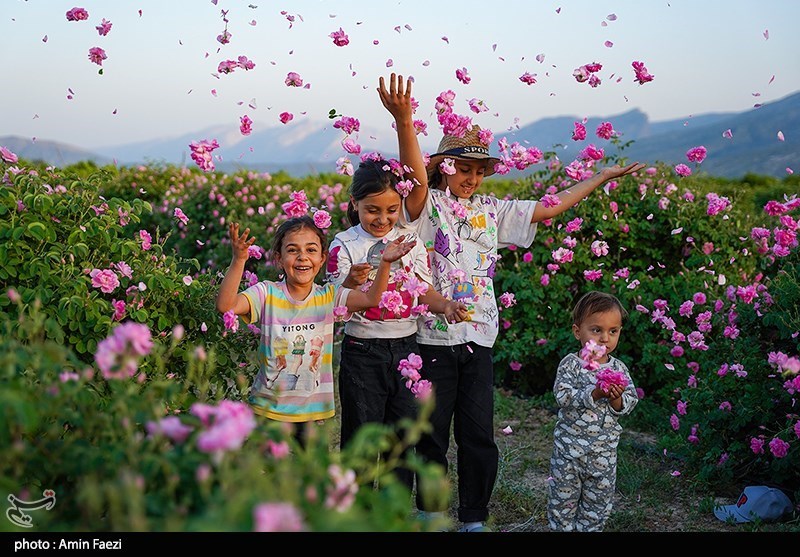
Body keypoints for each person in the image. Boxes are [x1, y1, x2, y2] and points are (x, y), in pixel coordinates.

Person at [379, 72, 645, 531]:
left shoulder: (493, 211)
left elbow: (550, 206)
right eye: (464, 169)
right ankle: (431, 513)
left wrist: (600, 178)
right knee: (433, 434)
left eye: (480, 171)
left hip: (479, 338)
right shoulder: (429, 207)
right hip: (432, 339)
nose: (472, 178)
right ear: (445, 167)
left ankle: (474, 519)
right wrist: (405, 122)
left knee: (479, 434)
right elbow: (413, 177)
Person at [326, 156, 468, 494]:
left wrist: (445, 306)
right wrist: (348, 280)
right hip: (362, 351)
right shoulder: (343, 244)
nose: (383, 218)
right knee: (361, 436)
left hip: (407, 349)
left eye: (392, 210)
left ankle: (395, 514)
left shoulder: (411, 242)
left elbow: (424, 291)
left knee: (402, 440)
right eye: (373, 210)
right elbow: (335, 300)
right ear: (355, 204)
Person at [215, 215, 416, 447]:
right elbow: (226, 306)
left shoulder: (329, 296)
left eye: (311, 250)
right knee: (267, 478)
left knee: (310, 479)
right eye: (292, 250)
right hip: (268, 411)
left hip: (311, 414)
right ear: (279, 259)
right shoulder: (266, 293)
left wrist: (385, 264)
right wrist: (239, 260)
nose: (302, 257)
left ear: (322, 259)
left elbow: (371, 299)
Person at [547, 291, 638, 532]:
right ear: (578, 331)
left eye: (613, 331)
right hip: (568, 451)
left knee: (598, 503)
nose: (605, 338)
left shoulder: (619, 368)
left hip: (603, 453)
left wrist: (617, 399)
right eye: (596, 330)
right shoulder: (571, 364)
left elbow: (630, 401)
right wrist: (594, 394)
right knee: (562, 502)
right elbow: (562, 396)